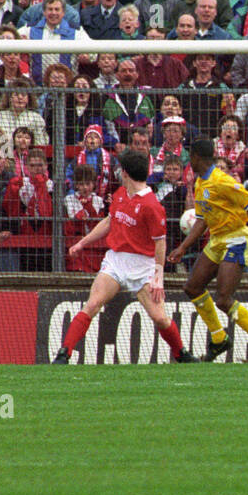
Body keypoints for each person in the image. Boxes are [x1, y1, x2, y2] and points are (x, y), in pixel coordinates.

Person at [53, 149, 194, 365]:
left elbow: (160, 243)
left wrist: (158, 278)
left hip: (143, 265)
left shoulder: (152, 206)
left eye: (121, 170)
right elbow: (109, 221)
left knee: (159, 318)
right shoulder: (120, 194)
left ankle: (181, 353)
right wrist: (82, 242)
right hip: (116, 260)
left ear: (126, 173)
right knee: (92, 304)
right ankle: (64, 353)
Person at [167, 137, 248, 363]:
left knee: (224, 299)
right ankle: (219, 338)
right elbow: (201, 220)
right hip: (217, 240)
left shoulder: (222, 181)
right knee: (192, 287)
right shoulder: (200, 183)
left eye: (191, 157)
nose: (189, 160)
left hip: (237, 237)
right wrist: (182, 247)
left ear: (197, 158)